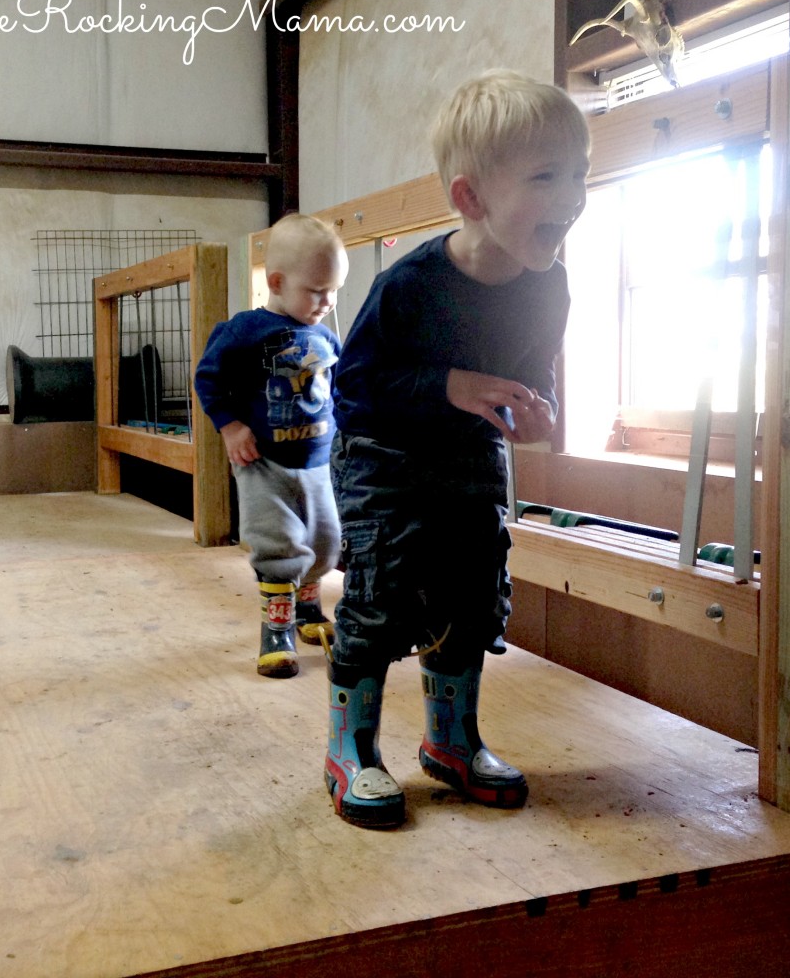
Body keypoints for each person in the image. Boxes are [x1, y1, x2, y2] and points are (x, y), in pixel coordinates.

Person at [324, 70, 590, 828]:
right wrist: (450, 385)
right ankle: (351, 749)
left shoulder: (550, 287)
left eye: (581, 173)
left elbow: (532, 376)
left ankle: (450, 742)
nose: (572, 194)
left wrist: (539, 414)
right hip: (385, 456)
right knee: (381, 600)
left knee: (474, 598)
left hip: (471, 457)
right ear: (471, 199)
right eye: (547, 176)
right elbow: (355, 391)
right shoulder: (411, 285)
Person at [195, 213, 348, 679]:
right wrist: (229, 426)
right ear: (277, 281)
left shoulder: (324, 337)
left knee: (325, 544)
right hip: (263, 462)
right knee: (278, 546)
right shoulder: (244, 331)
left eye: (334, 290)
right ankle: (275, 632)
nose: (326, 301)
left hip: (317, 462)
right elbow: (208, 378)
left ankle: (307, 610)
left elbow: (337, 392)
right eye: (316, 290)